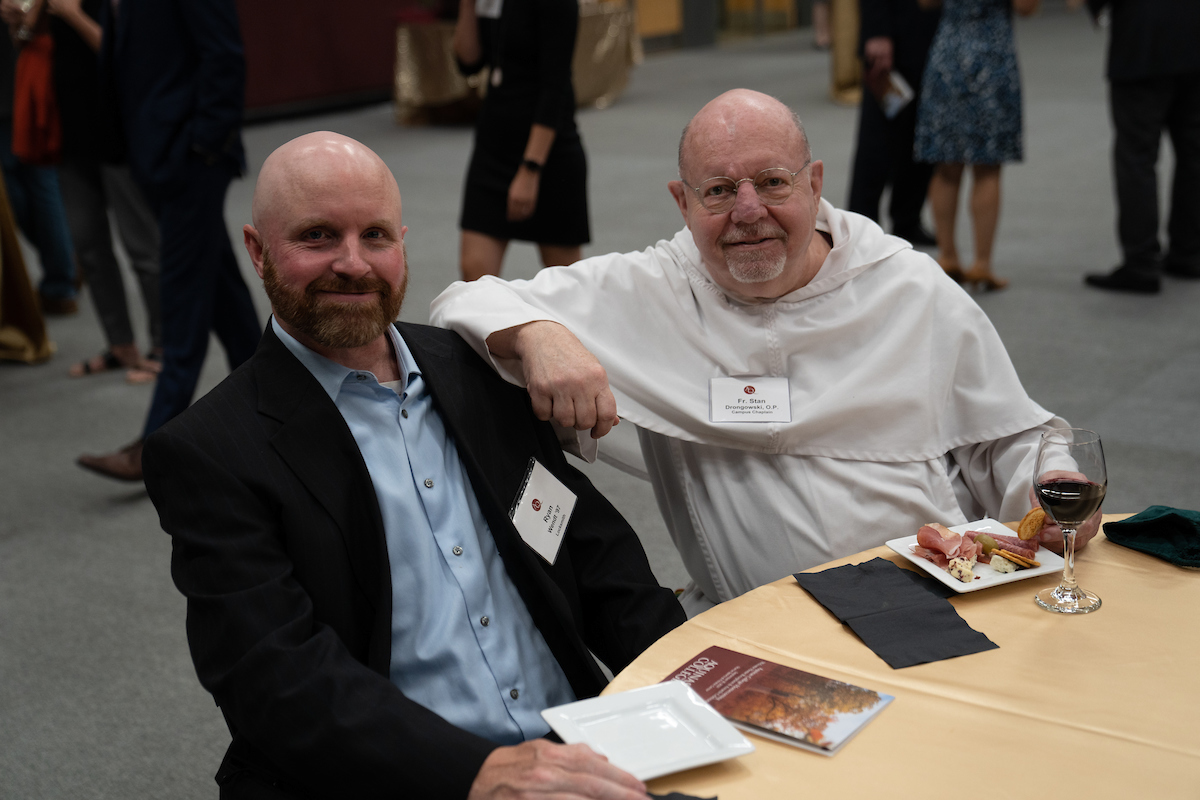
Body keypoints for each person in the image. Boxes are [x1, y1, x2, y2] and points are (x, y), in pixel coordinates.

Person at [142, 132, 684, 799]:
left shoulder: (480, 372)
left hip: (575, 747)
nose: (352, 263)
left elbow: (592, 555)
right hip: (398, 774)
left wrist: (696, 681)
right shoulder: (213, 451)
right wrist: (478, 773)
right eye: (316, 236)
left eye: (374, 236)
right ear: (257, 251)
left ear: (401, 242)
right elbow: (275, 677)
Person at [432, 89, 1102, 615]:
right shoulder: (655, 290)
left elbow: (1007, 438)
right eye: (718, 191)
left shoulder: (903, 283)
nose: (747, 211)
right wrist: (539, 335)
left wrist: (1053, 480)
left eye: (772, 183)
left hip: (938, 597)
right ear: (682, 202)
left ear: (813, 182)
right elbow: (460, 301)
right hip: (763, 625)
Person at [76, 0, 261, 480]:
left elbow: (225, 55)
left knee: (181, 297)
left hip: (190, 157)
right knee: (222, 292)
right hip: (152, 155)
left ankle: (154, 447)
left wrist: (203, 147)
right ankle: (285, 400)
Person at [47, 0, 162, 380]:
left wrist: (71, 14)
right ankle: (120, 345)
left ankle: (166, 347)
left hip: (118, 135)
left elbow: (124, 56)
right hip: (68, 136)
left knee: (143, 248)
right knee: (89, 246)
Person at [452, 0, 589, 281]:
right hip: (493, 144)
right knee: (473, 276)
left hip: (548, 151)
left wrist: (530, 169)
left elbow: (555, 88)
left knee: (564, 283)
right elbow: (468, 62)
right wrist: (466, 6)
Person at [912, 0, 1039, 291]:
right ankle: (982, 263)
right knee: (988, 167)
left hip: (949, 53)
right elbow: (1026, 7)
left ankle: (948, 255)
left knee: (946, 164)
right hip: (994, 55)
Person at [1082, 0, 1200, 294]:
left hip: (1143, 41)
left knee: (1136, 157)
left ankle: (1141, 262)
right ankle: (1188, 252)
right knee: (1193, 155)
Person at [0, 15, 78, 315]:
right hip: (26, 79)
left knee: (34, 185)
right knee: (29, 188)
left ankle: (60, 279)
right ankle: (62, 269)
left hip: (25, 80)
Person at [846, 0, 940, 246]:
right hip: (892, 40)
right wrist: (878, 29)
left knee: (922, 135)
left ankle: (907, 219)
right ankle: (860, 224)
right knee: (877, 141)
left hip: (934, 35)